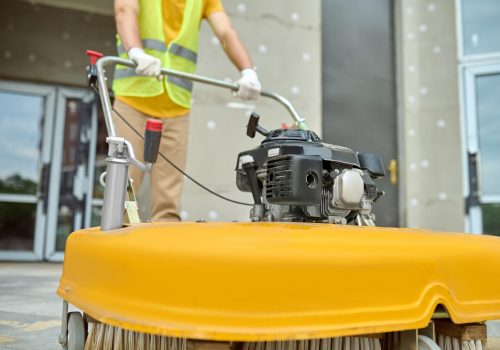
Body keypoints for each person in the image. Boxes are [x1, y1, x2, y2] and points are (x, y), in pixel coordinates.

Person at [112, 0, 261, 222]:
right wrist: (135, 52)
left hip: (176, 109)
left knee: (168, 205)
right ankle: (116, 252)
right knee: (122, 194)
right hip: (133, 102)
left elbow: (225, 32)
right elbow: (124, 9)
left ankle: (163, 255)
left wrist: (248, 71)